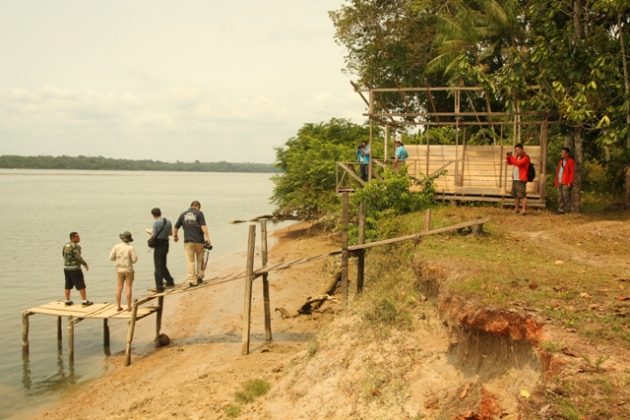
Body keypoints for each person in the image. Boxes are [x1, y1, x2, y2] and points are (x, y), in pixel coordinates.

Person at [173, 200, 212, 286]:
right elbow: (203, 226)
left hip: (188, 242)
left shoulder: (183, 214)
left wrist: (175, 236)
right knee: (200, 259)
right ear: (198, 206)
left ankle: (191, 280)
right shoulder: (199, 213)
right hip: (199, 242)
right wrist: (208, 238)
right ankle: (200, 277)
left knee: (190, 261)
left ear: (191, 206)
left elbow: (176, 227)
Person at [108, 231, 138, 311]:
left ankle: (118, 306)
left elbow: (111, 258)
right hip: (128, 269)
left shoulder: (116, 246)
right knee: (128, 287)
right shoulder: (130, 248)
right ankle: (128, 306)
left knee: (119, 287)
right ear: (129, 240)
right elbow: (134, 260)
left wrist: (116, 259)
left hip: (119, 270)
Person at [62, 232, 93, 306]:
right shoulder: (75, 246)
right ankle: (84, 301)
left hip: (66, 268)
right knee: (81, 284)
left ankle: (67, 300)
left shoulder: (65, 245)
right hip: (75, 269)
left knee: (68, 284)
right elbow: (78, 257)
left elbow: (63, 254)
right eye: (77, 237)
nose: (79, 238)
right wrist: (85, 264)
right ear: (73, 238)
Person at [150, 207, 175, 292]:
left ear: (153, 215)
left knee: (158, 266)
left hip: (159, 245)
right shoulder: (168, 221)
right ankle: (170, 281)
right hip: (166, 244)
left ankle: (159, 286)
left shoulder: (156, 223)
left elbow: (153, 235)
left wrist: (151, 233)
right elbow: (171, 233)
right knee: (163, 264)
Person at [506, 143, 531, 215]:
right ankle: (516, 209)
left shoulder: (526, 157)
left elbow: (519, 163)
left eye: (517, 150)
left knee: (522, 195)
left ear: (522, 149)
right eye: (515, 150)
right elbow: (510, 163)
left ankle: (523, 210)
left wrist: (512, 157)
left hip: (521, 179)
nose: (516, 152)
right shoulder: (517, 157)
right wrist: (508, 157)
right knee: (516, 195)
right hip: (515, 178)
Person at [554, 147, 575, 214]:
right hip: (560, 180)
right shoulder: (561, 161)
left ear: (567, 154)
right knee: (560, 196)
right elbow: (558, 171)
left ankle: (568, 209)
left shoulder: (571, 161)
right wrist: (556, 181)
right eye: (561, 152)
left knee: (566, 196)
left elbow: (572, 172)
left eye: (563, 153)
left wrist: (570, 182)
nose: (562, 154)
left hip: (566, 181)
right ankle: (561, 209)